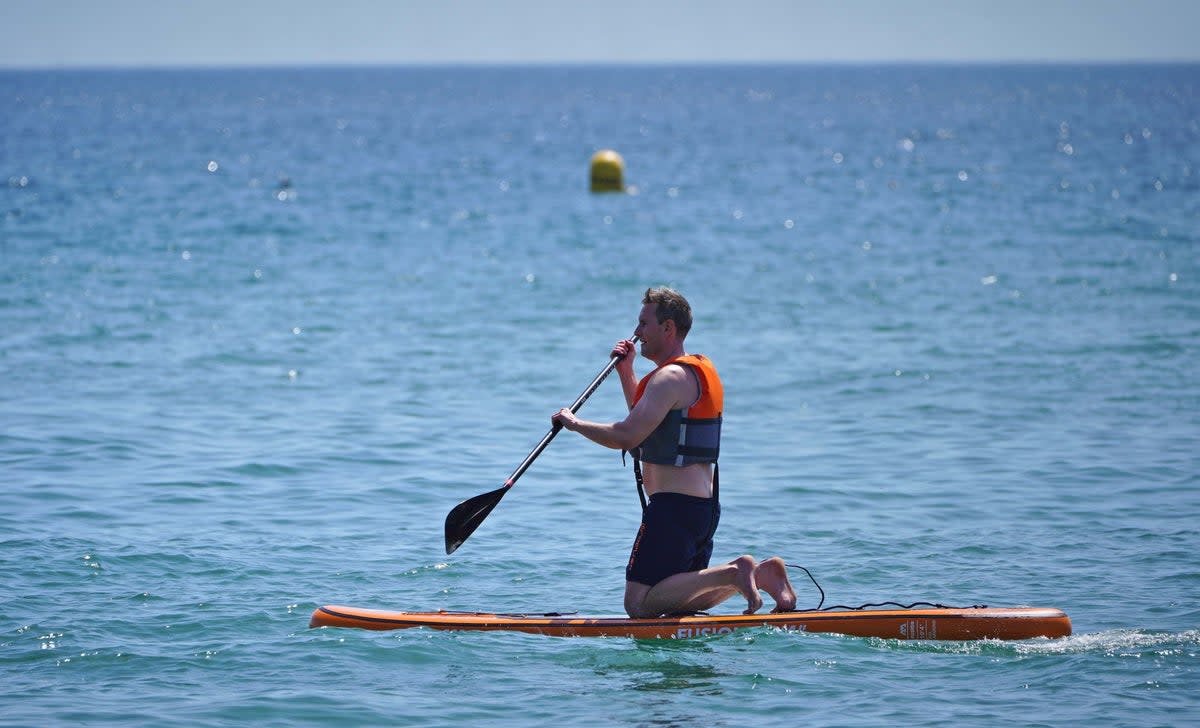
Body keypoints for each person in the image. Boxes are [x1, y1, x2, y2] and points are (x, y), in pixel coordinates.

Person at [552, 286, 797, 618]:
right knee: (678, 599)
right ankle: (760, 575)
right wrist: (627, 373)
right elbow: (648, 424)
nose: (636, 333)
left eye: (643, 324)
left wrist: (574, 423)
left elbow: (627, 435)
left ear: (668, 328)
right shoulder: (686, 374)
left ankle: (736, 572)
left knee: (638, 605)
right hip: (701, 509)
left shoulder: (668, 378)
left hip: (673, 511)